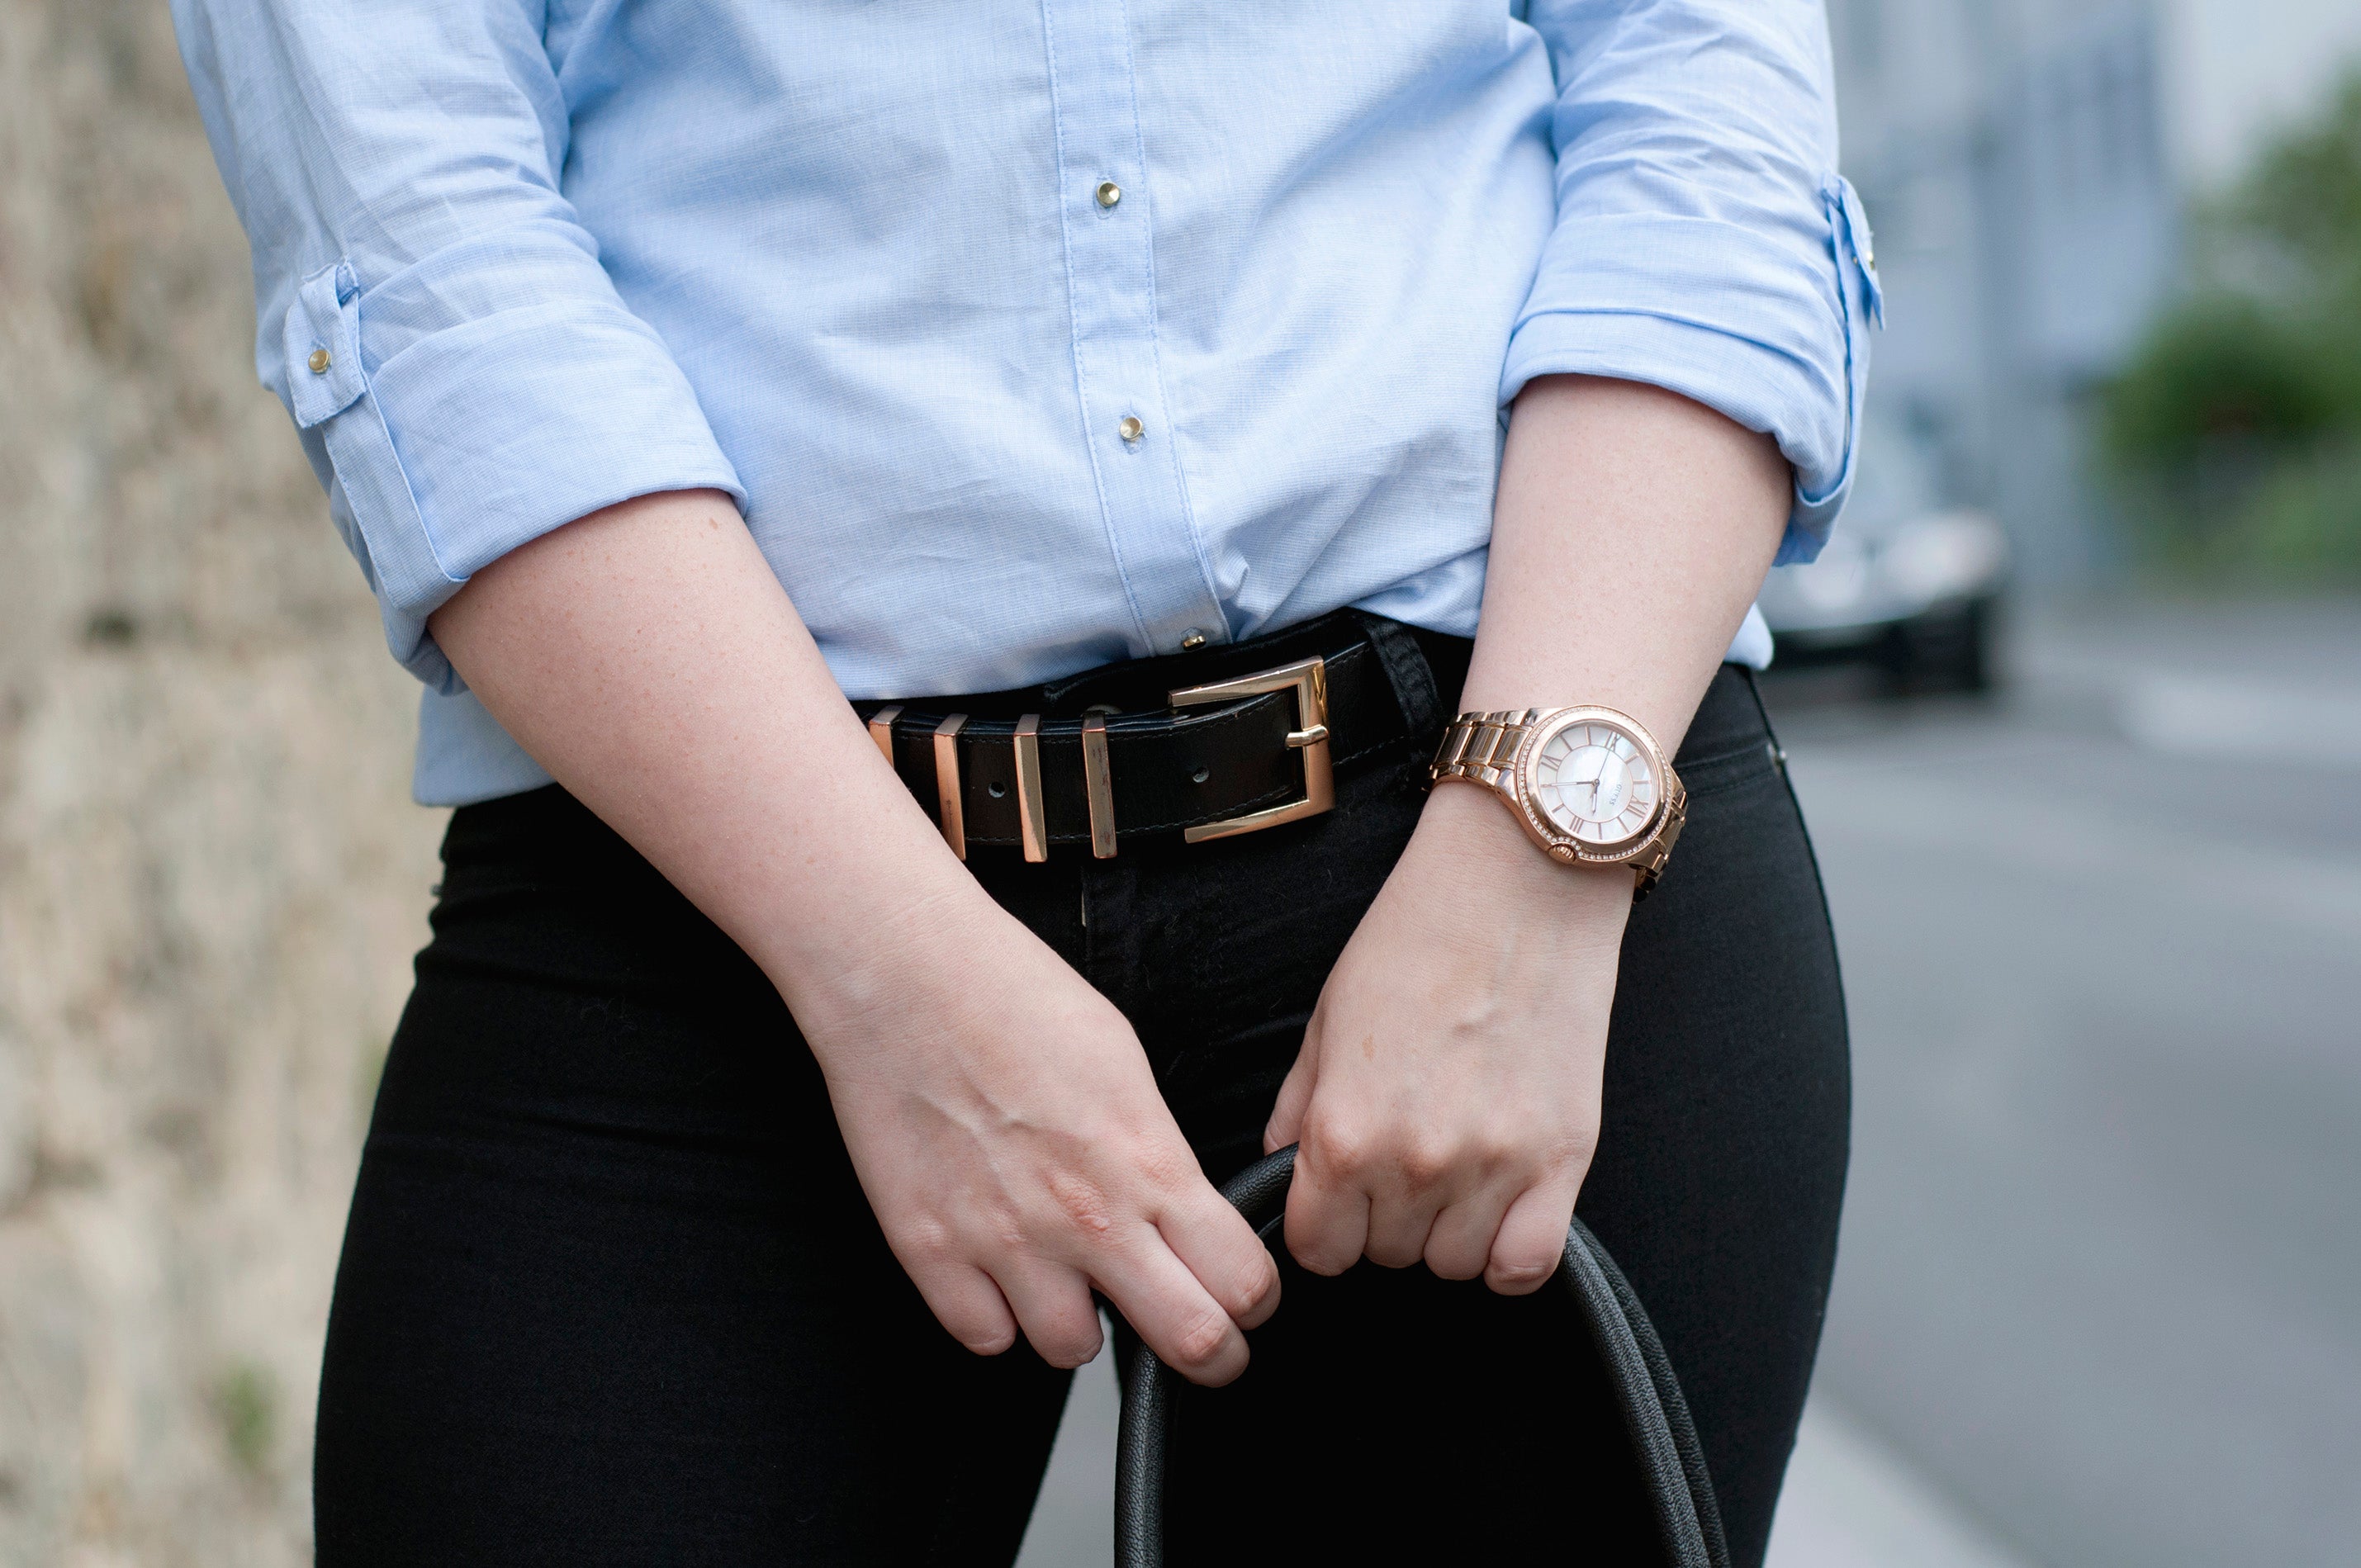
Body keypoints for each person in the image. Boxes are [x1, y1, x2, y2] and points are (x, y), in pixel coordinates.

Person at [174, 3, 1873, 1563]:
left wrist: (1526, 855)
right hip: (699, 881)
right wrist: (880, 966)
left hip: (1487, 835)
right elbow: (421, 244)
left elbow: (1695, 96)